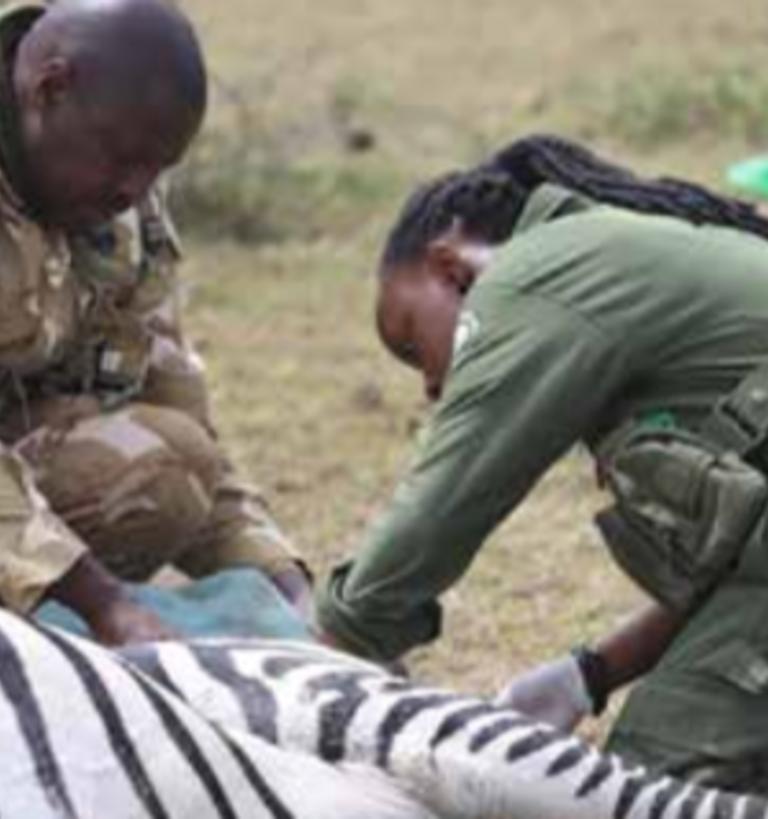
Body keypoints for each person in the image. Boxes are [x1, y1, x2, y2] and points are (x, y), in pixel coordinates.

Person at [316, 134, 768, 791]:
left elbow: (442, 507)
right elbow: (739, 563)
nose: (431, 388)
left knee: (652, 794)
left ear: (449, 268)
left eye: (412, 342)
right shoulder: (612, 266)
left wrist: (329, 647)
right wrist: (589, 673)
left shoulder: (535, 276)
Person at [0, 0, 310, 646]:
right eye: (122, 159)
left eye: (158, 170)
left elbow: (183, 412)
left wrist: (293, 596)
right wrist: (104, 605)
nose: (135, 190)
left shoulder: (113, 197)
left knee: (168, 467)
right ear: (49, 90)